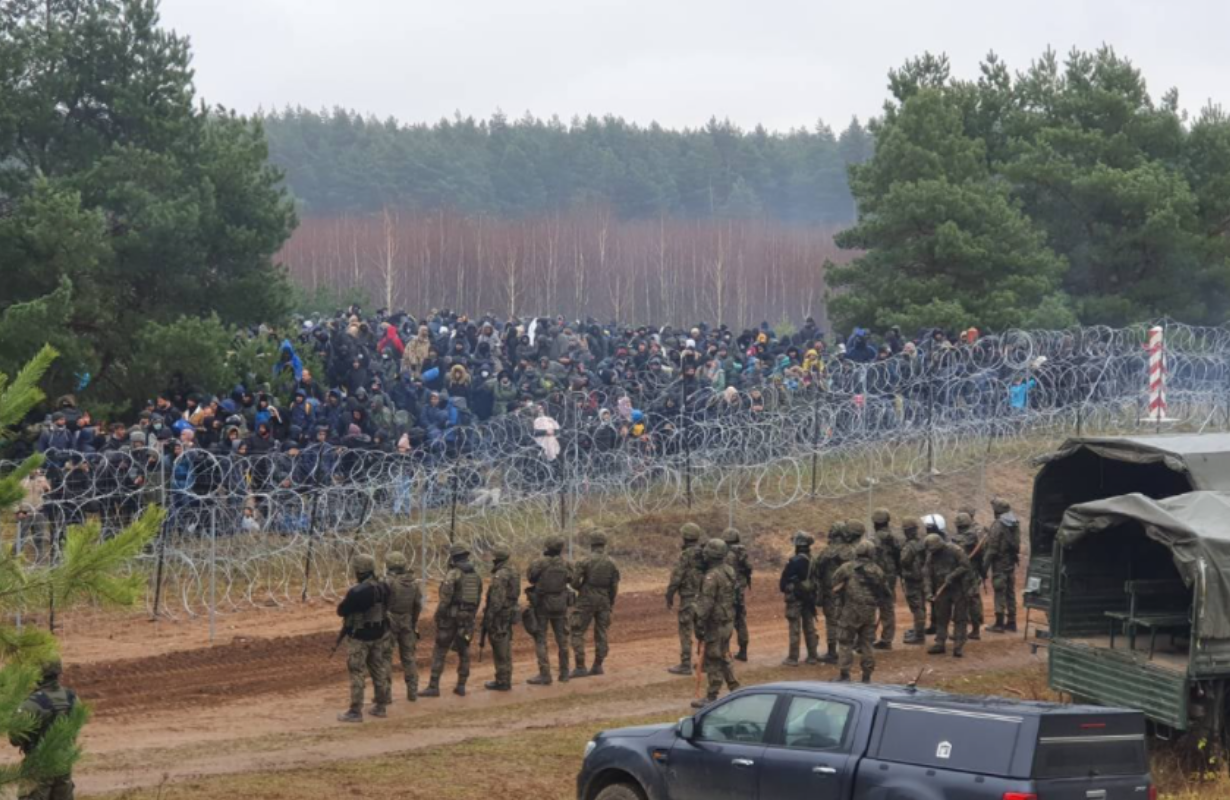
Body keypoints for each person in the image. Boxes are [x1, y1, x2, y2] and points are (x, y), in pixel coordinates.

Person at [10, 657, 77, 800]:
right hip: (64, 764)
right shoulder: (72, 698)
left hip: (37, 765)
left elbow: (14, 738)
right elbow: (75, 729)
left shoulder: (31, 704)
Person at [335, 554, 392, 722]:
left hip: (359, 637)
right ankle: (381, 706)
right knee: (378, 670)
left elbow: (342, 611)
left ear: (359, 571)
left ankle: (355, 711)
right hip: (379, 634)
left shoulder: (357, 592)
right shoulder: (384, 587)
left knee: (357, 672)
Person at [422, 545, 483, 697]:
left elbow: (445, 600)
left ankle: (433, 686)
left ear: (453, 557)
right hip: (467, 618)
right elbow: (477, 599)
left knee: (440, 650)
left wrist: (438, 616)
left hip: (450, 618)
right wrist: (471, 615)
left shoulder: (453, 574)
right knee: (464, 651)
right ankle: (461, 685)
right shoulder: (475, 576)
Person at [831, 540, 890, 683]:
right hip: (869, 613)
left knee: (845, 642)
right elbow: (886, 591)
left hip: (850, 611)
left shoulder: (847, 568)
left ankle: (844, 675)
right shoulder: (877, 570)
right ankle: (866, 677)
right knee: (867, 644)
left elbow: (834, 581)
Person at [692, 538, 739, 708]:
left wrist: (699, 623)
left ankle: (711, 696)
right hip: (727, 619)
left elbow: (706, 604)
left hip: (716, 623)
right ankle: (734, 687)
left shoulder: (711, 576)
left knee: (713, 658)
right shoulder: (729, 570)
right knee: (723, 654)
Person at [570, 526, 620, 678]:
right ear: (604, 544)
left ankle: (580, 666)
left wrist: (581, 588)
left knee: (577, 631)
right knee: (602, 632)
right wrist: (610, 602)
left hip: (586, 598)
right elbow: (614, 586)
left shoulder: (584, 561)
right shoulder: (612, 562)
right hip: (604, 598)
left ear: (591, 544)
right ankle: (598, 665)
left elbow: (574, 582)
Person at [526, 535, 573, 685]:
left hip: (542, 605)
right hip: (560, 605)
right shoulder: (566, 564)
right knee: (563, 640)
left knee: (541, 639)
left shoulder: (539, 563)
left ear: (547, 547)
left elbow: (531, 578)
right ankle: (564, 673)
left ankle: (545, 674)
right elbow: (572, 579)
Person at [922, 534, 974, 657]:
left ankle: (958, 645)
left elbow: (966, 566)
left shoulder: (955, 550)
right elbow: (927, 575)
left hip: (960, 588)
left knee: (960, 618)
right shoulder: (931, 556)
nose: (934, 553)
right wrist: (928, 592)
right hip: (942, 589)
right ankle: (940, 643)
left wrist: (952, 575)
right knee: (941, 617)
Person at [810, 522, 853, 664]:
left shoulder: (825, 552)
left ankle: (832, 651)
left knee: (831, 622)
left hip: (830, 591)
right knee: (847, 620)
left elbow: (816, 571)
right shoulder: (851, 551)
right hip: (849, 591)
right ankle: (846, 650)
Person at [383, 551, 423, 701]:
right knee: (408, 657)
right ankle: (412, 692)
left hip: (390, 620)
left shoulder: (389, 582)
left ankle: (385, 694)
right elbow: (418, 604)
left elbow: (382, 603)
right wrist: (413, 622)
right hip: (408, 621)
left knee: (386, 657)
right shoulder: (413, 582)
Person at [665, 523, 703, 674]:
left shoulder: (685, 555)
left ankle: (685, 664)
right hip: (703, 598)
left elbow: (677, 577)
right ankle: (704, 661)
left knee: (686, 631)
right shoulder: (704, 554)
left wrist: (669, 594)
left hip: (688, 599)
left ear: (684, 537)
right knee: (703, 631)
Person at [482, 545, 520, 691]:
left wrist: (489, 617)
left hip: (500, 615)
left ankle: (502, 681)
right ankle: (505, 678)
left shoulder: (501, 574)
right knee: (505, 646)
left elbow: (497, 600)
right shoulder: (513, 571)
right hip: (509, 612)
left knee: (500, 648)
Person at [779, 532, 819, 666]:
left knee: (795, 627)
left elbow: (783, 583)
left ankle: (793, 658)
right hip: (809, 597)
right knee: (809, 626)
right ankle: (813, 656)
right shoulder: (813, 560)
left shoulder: (794, 561)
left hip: (795, 598)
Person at [986, 498, 1021, 633]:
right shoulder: (1014, 523)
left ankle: (999, 624)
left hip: (999, 564)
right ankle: (1012, 622)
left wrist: (984, 567)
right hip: (1010, 563)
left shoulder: (998, 524)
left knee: (999, 592)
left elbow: (992, 549)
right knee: (1010, 592)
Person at [870, 509, 902, 649]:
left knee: (870, 606)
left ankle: (868, 638)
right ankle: (887, 639)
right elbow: (899, 556)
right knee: (887, 607)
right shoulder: (894, 537)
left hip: (875, 575)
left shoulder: (874, 539)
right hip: (890, 575)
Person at [952, 512, 985, 640]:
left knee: (961, 602)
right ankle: (975, 630)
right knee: (973, 601)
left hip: (963, 574)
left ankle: (960, 632)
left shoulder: (960, 539)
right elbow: (981, 555)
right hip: (973, 572)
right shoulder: (976, 536)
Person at [723, 528, 753, 661]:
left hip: (728, 591)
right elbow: (748, 568)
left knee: (726, 620)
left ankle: (725, 652)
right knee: (740, 620)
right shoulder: (742, 552)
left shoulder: (725, 554)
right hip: (739, 591)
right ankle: (743, 651)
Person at [898, 518, 927, 645]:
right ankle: (918, 630)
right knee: (921, 606)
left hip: (912, 579)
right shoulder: (922, 542)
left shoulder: (910, 546)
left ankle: (919, 636)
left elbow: (904, 561)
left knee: (916, 607)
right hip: (922, 578)